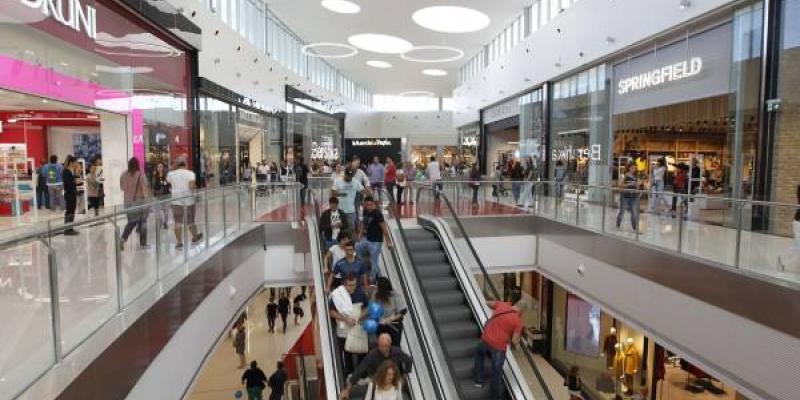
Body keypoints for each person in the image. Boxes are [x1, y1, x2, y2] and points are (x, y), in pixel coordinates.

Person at [472, 293, 523, 399]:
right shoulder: (518, 322)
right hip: (499, 348)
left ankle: (479, 381)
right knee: (496, 371)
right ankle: (494, 397)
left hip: (486, 340)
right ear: (522, 311)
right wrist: (517, 342)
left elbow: (488, 303)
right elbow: (514, 340)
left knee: (479, 354)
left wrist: (499, 306)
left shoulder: (503, 305)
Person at [340, 333, 413, 400]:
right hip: (377, 380)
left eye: (385, 346)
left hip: (393, 381)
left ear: (390, 345)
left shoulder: (397, 352)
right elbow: (360, 369)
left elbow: (409, 360)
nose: (382, 348)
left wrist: (404, 375)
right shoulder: (373, 355)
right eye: (380, 346)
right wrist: (347, 389)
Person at [329, 274, 362, 375]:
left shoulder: (360, 294)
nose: (352, 287)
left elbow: (367, 308)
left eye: (354, 284)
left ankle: (360, 373)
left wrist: (359, 317)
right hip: (343, 329)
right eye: (349, 285)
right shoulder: (337, 295)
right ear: (344, 284)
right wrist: (345, 319)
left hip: (357, 327)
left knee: (359, 349)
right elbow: (332, 312)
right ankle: (349, 373)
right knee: (346, 351)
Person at [167, 157, 203, 249]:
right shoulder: (190, 173)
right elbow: (191, 186)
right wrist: (195, 187)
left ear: (176, 165)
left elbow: (168, 182)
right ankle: (195, 237)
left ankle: (179, 243)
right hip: (189, 201)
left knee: (178, 222)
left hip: (176, 201)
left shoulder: (170, 174)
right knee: (191, 221)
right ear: (185, 164)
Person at [361, 195, 392, 282]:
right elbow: (363, 223)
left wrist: (388, 242)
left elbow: (384, 228)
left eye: (371, 205)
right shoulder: (365, 211)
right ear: (364, 205)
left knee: (373, 261)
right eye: (367, 205)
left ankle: (373, 279)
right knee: (357, 247)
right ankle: (368, 272)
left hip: (376, 241)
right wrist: (360, 235)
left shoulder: (377, 214)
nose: (369, 207)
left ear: (374, 204)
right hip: (367, 238)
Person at [119, 157, 149, 248]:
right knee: (143, 222)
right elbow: (145, 190)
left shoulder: (123, 175)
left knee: (131, 222)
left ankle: (123, 239)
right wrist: (147, 202)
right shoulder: (140, 174)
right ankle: (143, 244)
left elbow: (122, 188)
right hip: (139, 202)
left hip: (127, 202)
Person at [372, 277, 406, 347]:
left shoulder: (395, 295)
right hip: (381, 326)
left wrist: (389, 319)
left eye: (377, 286)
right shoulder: (375, 294)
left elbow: (402, 312)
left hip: (394, 325)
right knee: (382, 346)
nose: (376, 288)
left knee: (395, 347)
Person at [333, 168, 369, 233]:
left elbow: (364, 191)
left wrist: (367, 186)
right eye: (348, 176)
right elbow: (333, 193)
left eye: (351, 176)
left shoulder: (355, 182)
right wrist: (341, 194)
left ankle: (351, 242)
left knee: (350, 230)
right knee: (338, 230)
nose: (349, 178)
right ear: (345, 174)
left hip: (351, 211)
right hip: (339, 211)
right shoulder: (337, 180)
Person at [616, 163, 640, 231]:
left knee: (634, 213)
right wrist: (629, 184)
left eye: (635, 168)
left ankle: (634, 228)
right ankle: (618, 224)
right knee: (622, 212)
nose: (634, 169)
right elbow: (619, 184)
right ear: (629, 167)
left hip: (634, 197)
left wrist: (637, 186)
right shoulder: (623, 175)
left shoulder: (635, 177)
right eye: (632, 168)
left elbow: (637, 187)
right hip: (625, 196)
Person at [61, 156, 80, 236]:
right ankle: (67, 229)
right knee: (69, 211)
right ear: (71, 163)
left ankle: (70, 228)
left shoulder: (69, 171)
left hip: (72, 194)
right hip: (69, 194)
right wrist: (75, 181)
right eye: (75, 162)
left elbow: (72, 182)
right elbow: (68, 184)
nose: (76, 164)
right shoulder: (66, 172)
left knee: (72, 211)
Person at [151, 162, 170, 229]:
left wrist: (163, 183)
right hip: (157, 195)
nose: (159, 168)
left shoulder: (166, 175)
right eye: (158, 167)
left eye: (161, 166)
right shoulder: (154, 176)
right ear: (156, 168)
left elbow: (168, 183)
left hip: (166, 195)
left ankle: (165, 223)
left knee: (166, 210)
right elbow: (153, 186)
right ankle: (161, 222)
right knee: (157, 211)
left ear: (163, 168)